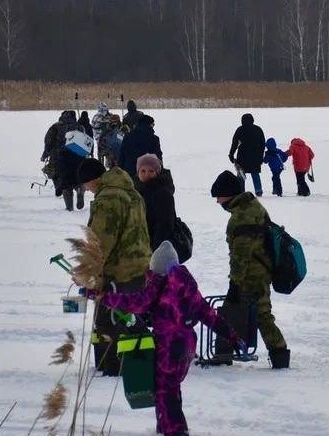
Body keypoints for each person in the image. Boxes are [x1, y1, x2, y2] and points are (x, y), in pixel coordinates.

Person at [89, 241, 242, 436]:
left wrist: (101, 296)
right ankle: (165, 428)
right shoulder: (188, 286)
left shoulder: (158, 284)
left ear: (157, 268)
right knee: (171, 388)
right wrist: (233, 336)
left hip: (169, 345)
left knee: (165, 391)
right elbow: (210, 316)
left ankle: (175, 431)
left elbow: (134, 303)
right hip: (187, 344)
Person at [211, 170, 290, 369]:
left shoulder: (241, 217)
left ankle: (223, 353)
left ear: (229, 194)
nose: (218, 202)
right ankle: (279, 354)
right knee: (262, 314)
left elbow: (241, 255)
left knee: (233, 310)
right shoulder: (253, 206)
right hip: (262, 270)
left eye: (219, 197)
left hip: (251, 274)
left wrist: (234, 284)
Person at [79, 158, 152, 376]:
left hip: (118, 273)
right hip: (139, 268)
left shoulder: (108, 198)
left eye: (85, 184)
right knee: (128, 317)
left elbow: (100, 243)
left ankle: (112, 368)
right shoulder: (132, 193)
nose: (87, 189)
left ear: (92, 180)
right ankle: (136, 363)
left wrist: (86, 273)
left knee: (108, 320)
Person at [135, 154, 178, 250]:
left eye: (151, 171)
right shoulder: (135, 190)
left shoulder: (163, 193)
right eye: (143, 171)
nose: (147, 175)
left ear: (157, 172)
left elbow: (165, 225)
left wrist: (155, 250)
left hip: (154, 246)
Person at [43, 110, 85, 211]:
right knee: (77, 176)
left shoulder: (56, 126)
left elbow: (48, 141)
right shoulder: (80, 127)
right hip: (77, 157)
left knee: (64, 179)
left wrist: (45, 153)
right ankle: (79, 189)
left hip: (60, 157)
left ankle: (69, 206)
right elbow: (84, 142)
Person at [228, 113, 267, 197]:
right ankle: (258, 190)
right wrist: (261, 156)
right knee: (255, 173)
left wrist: (231, 154)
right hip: (255, 157)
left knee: (241, 174)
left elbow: (235, 143)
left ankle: (241, 191)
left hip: (242, 156)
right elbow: (262, 144)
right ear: (252, 120)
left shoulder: (240, 130)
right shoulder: (258, 129)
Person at [119, 114, 162, 183]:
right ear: (150, 124)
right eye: (153, 124)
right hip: (146, 175)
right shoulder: (154, 139)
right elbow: (158, 157)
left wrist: (120, 171)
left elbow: (122, 156)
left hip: (129, 173)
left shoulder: (128, 137)